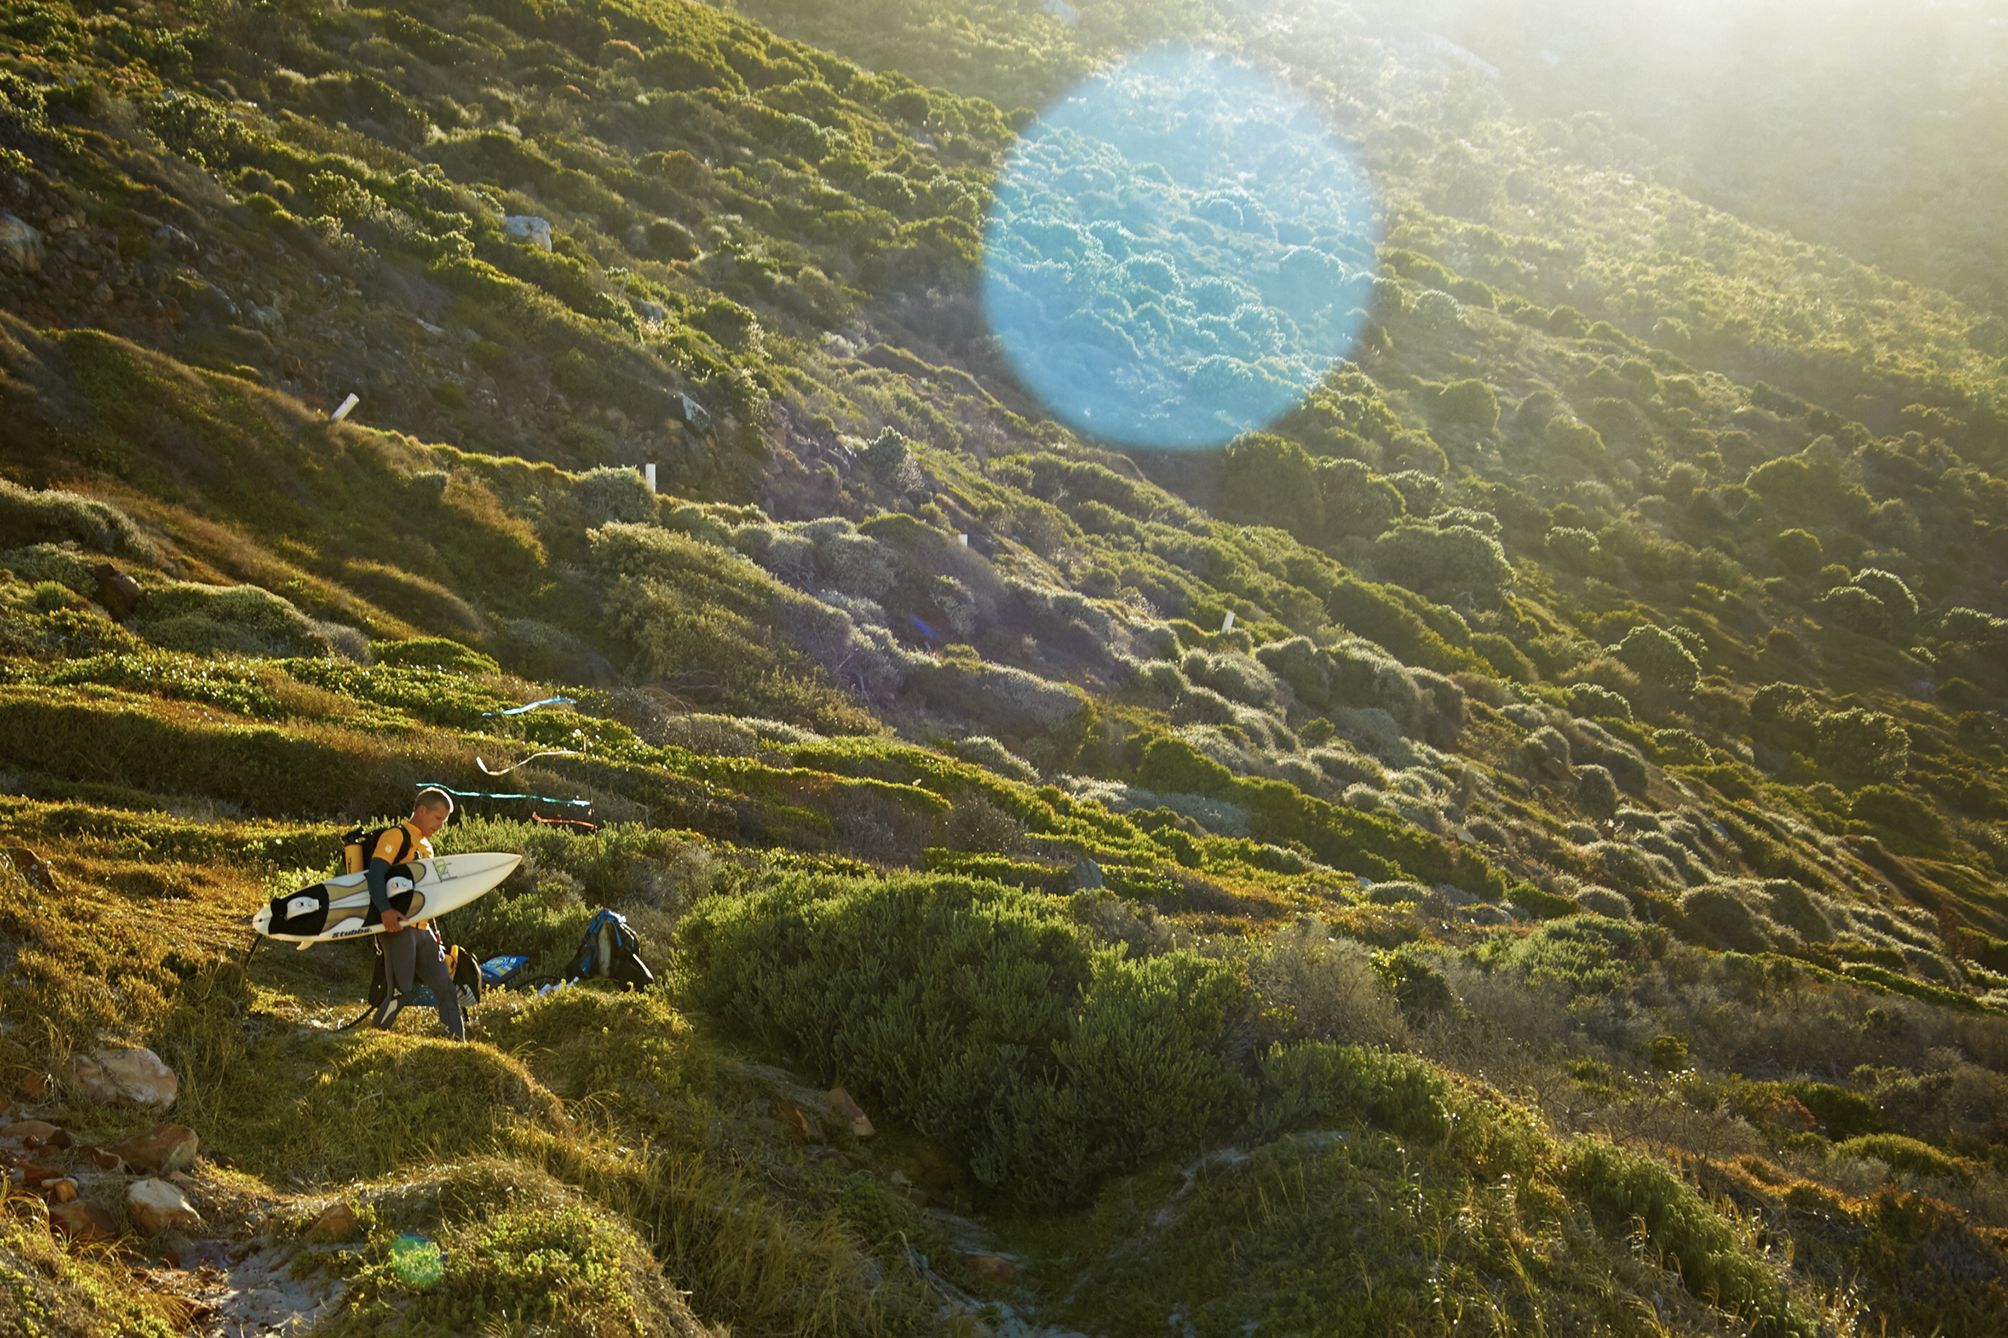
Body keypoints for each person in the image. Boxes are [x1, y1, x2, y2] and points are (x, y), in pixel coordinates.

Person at [366, 788, 465, 1040]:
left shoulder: (427, 846)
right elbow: (376, 874)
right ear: (422, 811)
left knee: (446, 989)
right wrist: (385, 911)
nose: (441, 825)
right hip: (398, 928)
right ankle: (373, 1037)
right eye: (438, 818)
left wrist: (436, 931)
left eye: (444, 820)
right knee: (400, 991)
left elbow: (425, 892)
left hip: (424, 930)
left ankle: (458, 1044)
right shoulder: (396, 836)